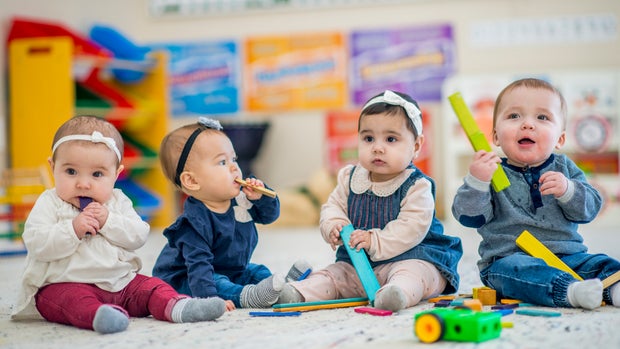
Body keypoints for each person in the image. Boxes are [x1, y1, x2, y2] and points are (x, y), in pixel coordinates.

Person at [11, 115, 226, 334]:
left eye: (97, 174)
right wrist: (72, 229)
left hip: (121, 283)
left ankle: (179, 307)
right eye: (71, 171)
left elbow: (138, 235)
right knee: (68, 301)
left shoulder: (117, 201)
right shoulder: (50, 202)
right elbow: (37, 243)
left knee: (152, 287)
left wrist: (108, 221)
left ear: (116, 174)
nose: (83, 184)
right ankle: (101, 316)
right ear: (53, 166)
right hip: (65, 283)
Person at [277, 90, 463, 312]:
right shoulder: (350, 178)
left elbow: (411, 228)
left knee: (418, 275)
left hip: (412, 257)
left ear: (416, 146)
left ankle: (397, 294)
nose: (377, 147)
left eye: (391, 139)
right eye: (368, 138)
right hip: (357, 264)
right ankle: (300, 292)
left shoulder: (417, 186)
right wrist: (333, 225)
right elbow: (333, 206)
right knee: (334, 276)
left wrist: (374, 241)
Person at [451, 78, 620, 309]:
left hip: (567, 258)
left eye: (542, 117)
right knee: (515, 271)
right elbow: (469, 218)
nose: (527, 125)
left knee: (601, 263)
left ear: (560, 139)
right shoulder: (490, 172)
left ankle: (613, 286)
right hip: (509, 261)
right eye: (514, 116)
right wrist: (477, 181)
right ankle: (569, 291)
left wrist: (568, 190)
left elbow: (590, 210)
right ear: (496, 136)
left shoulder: (565, 169)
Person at [152, 117, 310, 309]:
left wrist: (261, 198)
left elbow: (270, 217)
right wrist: (210, 301)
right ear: (192, 181)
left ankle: (285, 288)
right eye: (222, 162)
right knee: (219, 283)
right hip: (189, 278)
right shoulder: (193, 224)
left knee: (258, 272)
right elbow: (199, 267)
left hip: (233, 269)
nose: (235, 167)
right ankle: (248, 297)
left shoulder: (241, 199)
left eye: (233, 159)